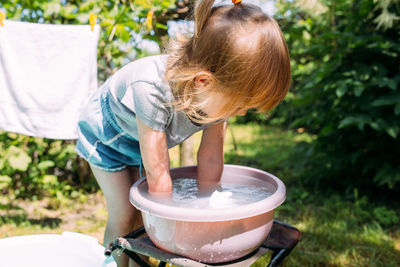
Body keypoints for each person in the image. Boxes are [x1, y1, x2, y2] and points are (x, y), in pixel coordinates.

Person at [75, 0, 290, 266]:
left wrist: (208, 209)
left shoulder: (214, 92)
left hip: (136, 142)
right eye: (239, 105)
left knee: (144, 220)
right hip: (105, 139)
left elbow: (211, 157)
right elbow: (158, 172)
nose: (241, 113)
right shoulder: (152, 89)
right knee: (125, 212)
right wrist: (176, 221)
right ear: (203, 81)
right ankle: (112, 264)